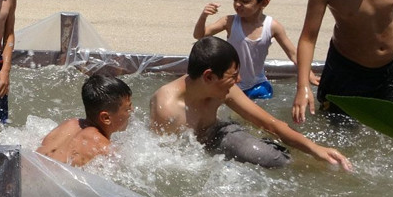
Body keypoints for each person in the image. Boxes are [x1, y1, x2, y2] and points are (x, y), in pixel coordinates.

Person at [150, 37, 352, 170]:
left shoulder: (222, 89)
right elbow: (165, 162)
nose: (238, 80)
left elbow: (269, 123)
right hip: (192, 154)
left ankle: (298, 163)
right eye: (233, 75)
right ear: (209, 76)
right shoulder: (168, 109)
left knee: (269, 158)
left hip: (219, 133)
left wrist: (314, 148)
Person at [193, 0, 317, 100]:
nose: (237, 5)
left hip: (258, 84)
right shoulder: (229, 22)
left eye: (245, 1)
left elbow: (293, 53)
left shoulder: (272, 26)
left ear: (264, 3)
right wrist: (204, 16)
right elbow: (199, 35)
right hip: (232, 84)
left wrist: (308, 73)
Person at [36, 74, 133, 167]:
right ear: (106, 118)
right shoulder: (103, 147)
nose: (132, 110)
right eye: (127, 108)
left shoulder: (70, 123)